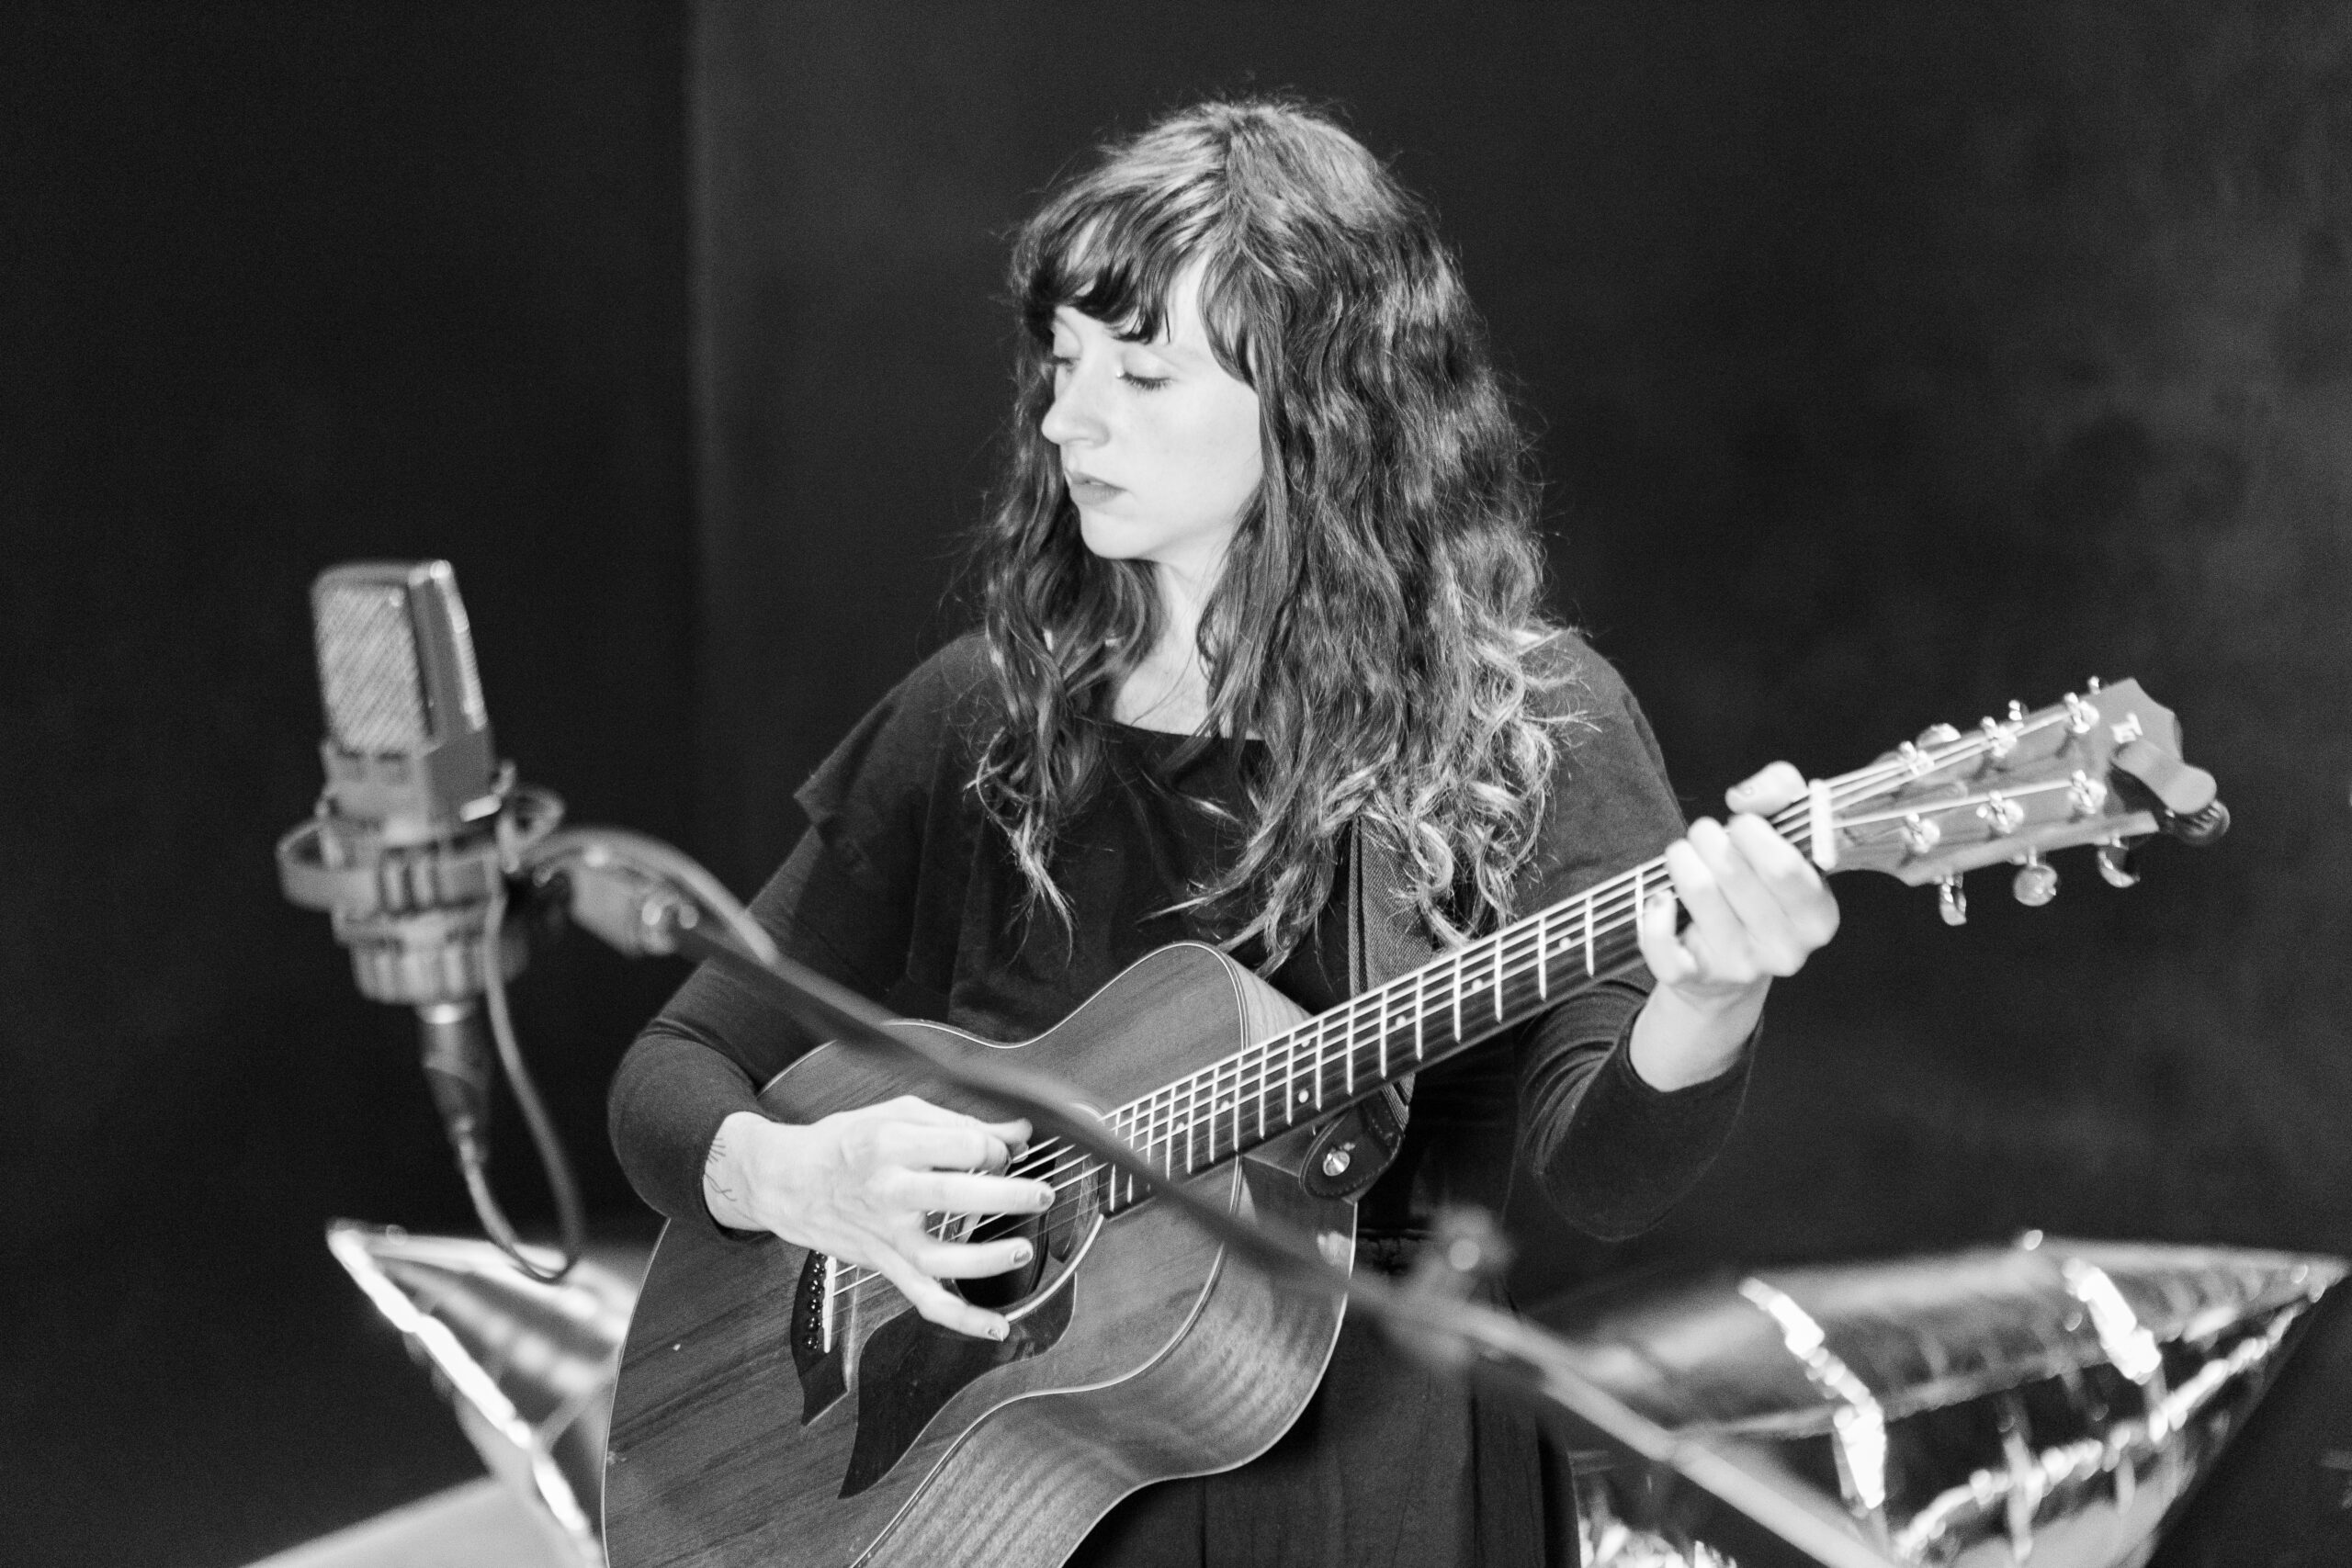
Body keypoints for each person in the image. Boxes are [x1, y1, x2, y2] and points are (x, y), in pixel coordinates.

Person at [608, 98, 1839, 1568]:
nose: (1070, 419)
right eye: (1063, 365)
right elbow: (669, 1073)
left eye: (1141, 371)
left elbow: (1605, 1178)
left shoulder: (1527, 729)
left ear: (1323, 401)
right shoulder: (985, 721)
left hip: (1381, 1493)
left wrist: (1711, 992)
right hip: (1010, 1501)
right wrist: (795, 1179)